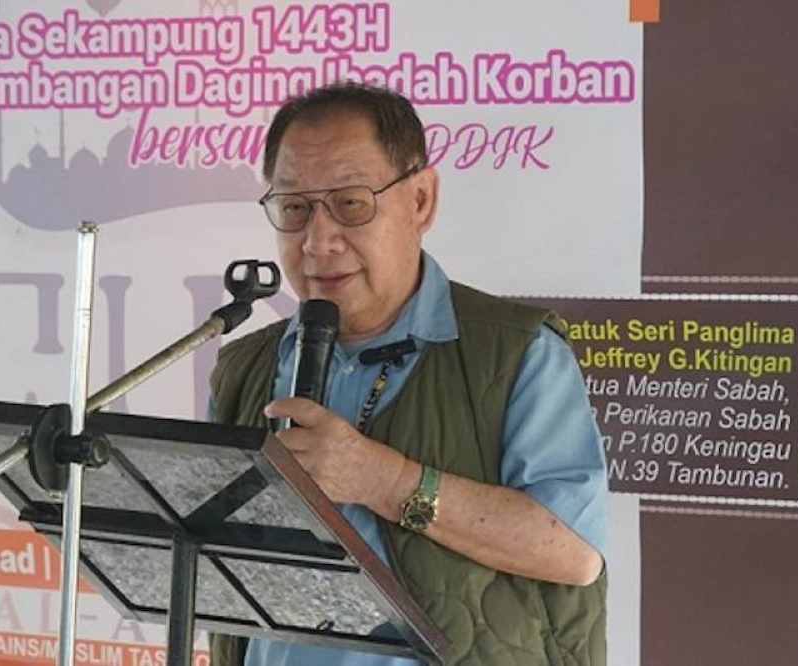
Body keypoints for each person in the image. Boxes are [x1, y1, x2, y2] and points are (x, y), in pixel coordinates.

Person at [209, 83, 608, 666]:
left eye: (351, 203)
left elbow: (574, 551)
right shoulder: (244, 367)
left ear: (421, 200)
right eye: (295, 208)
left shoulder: (517, 350)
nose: (318, 242)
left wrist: (384, 481)